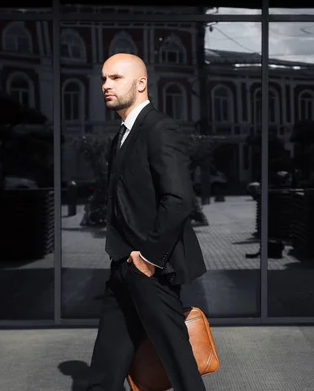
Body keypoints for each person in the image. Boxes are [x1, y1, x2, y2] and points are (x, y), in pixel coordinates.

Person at [86, 53, 208, 391]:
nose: (106, 86)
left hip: (150, 268)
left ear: (141, 84)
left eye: (116, 78)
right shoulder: (123, 134)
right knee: (106, 366)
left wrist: (149, 257)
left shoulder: (159, 128)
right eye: (104, 79)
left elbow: (179, 199)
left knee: (180, 365)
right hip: (123, 265)